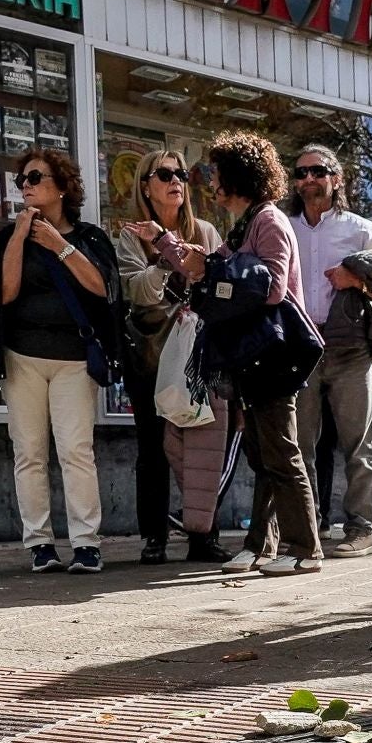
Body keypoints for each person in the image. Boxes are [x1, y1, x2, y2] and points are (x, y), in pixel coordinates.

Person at [0, 148, 120, 575]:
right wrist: (19, 237)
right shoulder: (9, 237)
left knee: (76, 450)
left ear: (62, 185)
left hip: (73, 359)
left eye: (35, 177)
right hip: (23, 358)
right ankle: (39, 544)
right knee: (29, 452)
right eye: (22, 180)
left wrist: (60, 246)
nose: (26, 185)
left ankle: (87, 544)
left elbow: (101, 289)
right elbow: (5, 295)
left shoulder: (88, 237)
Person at [186, 132, 325, 577]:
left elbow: (274, 287)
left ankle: (305, 548)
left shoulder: (267, 221)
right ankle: (260, 545)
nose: (211, 183)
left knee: (282, 452)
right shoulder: (246, 224)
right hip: (254, 353)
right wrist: (172, 248)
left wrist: (223, 276)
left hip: (274, 351)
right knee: (262, 453)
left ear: (236, 179)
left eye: (216, 174)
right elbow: (216, 269)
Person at [116, 149, 237, 564]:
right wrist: (168, 259)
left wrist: (175, 250)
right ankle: (154, 537)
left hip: (200, 357)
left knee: (203, 444)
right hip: (152, 356)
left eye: (182, 174)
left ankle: (204, 536)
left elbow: (222, 280)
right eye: (165, 174)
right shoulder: (131, 236)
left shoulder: (205, 230)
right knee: (152, 449)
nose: (176, 181)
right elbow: (136, 290)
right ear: (145, 185)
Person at [287, 144, 372, 558]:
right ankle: (308, 530)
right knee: (299, 445)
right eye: (302, 172)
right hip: (298, 346)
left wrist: (356, 281)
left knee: (358, 444)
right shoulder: (284, 226)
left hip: (349, 348)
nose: (309, 179)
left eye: (319, 171)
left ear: (336, 178)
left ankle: (361, 529)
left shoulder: (360, 229)